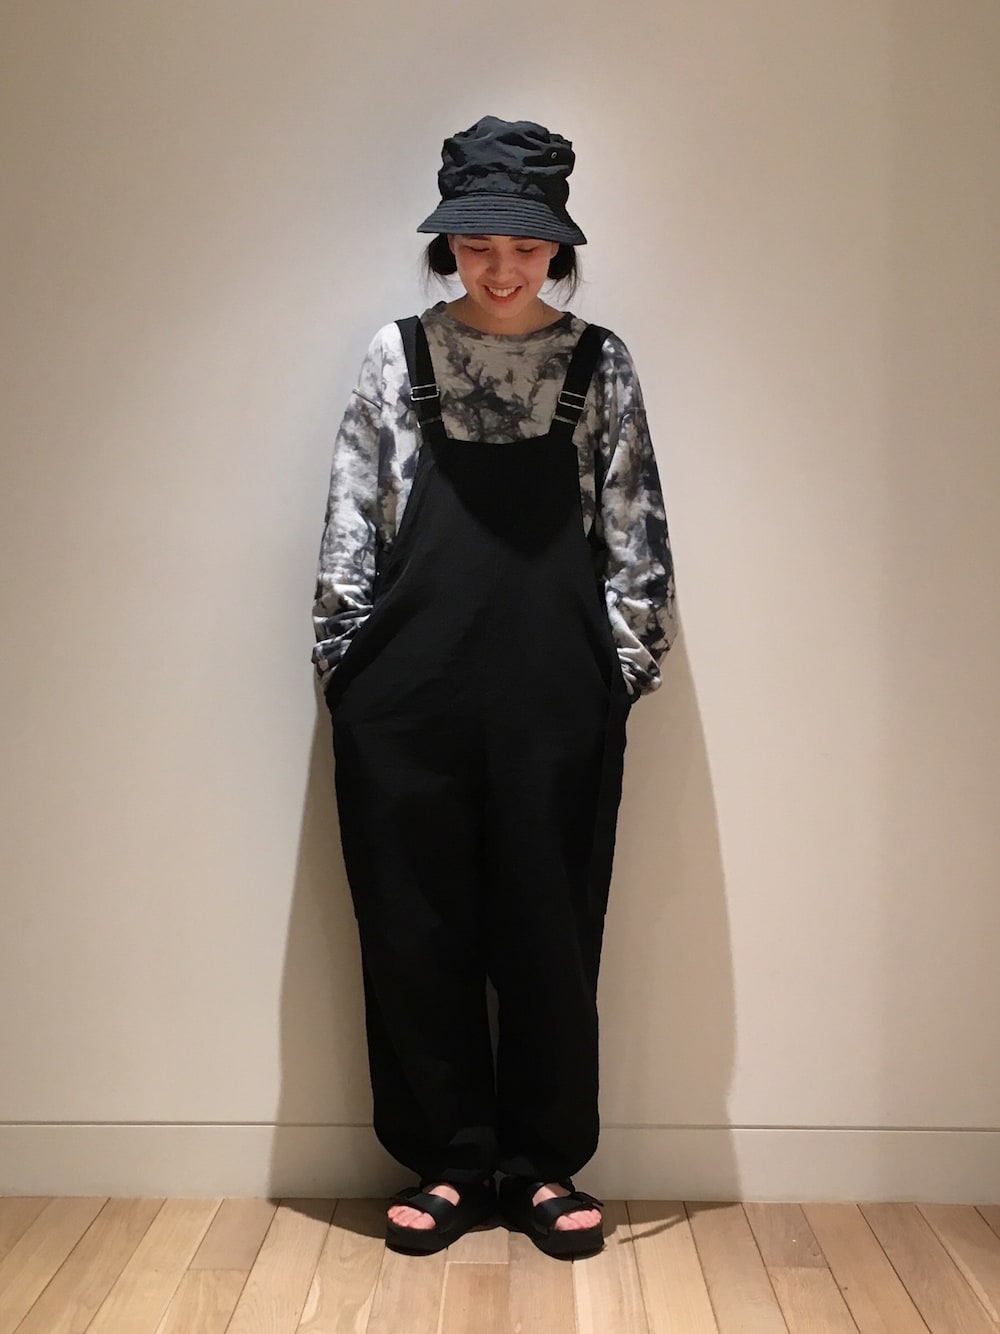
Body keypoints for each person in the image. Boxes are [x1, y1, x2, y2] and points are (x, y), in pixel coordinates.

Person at [312, 115, 677, 1258]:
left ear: (557, 245)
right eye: (477, 244)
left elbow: (635, 535)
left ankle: (541, 1163)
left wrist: (618, 673)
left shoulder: (598, 362)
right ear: (448, 244)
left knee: (548, 928)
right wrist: (347, 669)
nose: (501, 268)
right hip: (404, 699)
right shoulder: (396, 357)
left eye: (523, 246)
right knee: (412, 926)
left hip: (555, 699)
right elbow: (350, 524)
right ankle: (447, 1158)